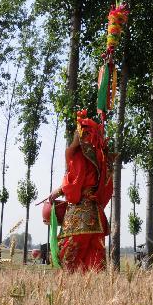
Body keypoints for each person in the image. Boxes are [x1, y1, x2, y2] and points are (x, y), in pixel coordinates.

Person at [48, 110, 113, 272]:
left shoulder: (80, 156)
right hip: (95, 216)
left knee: (68, 259)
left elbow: (74, 186)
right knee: (94, 261)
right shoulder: (100, 157)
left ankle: (68, 295)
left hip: (79, 216)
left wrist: (58, 191)